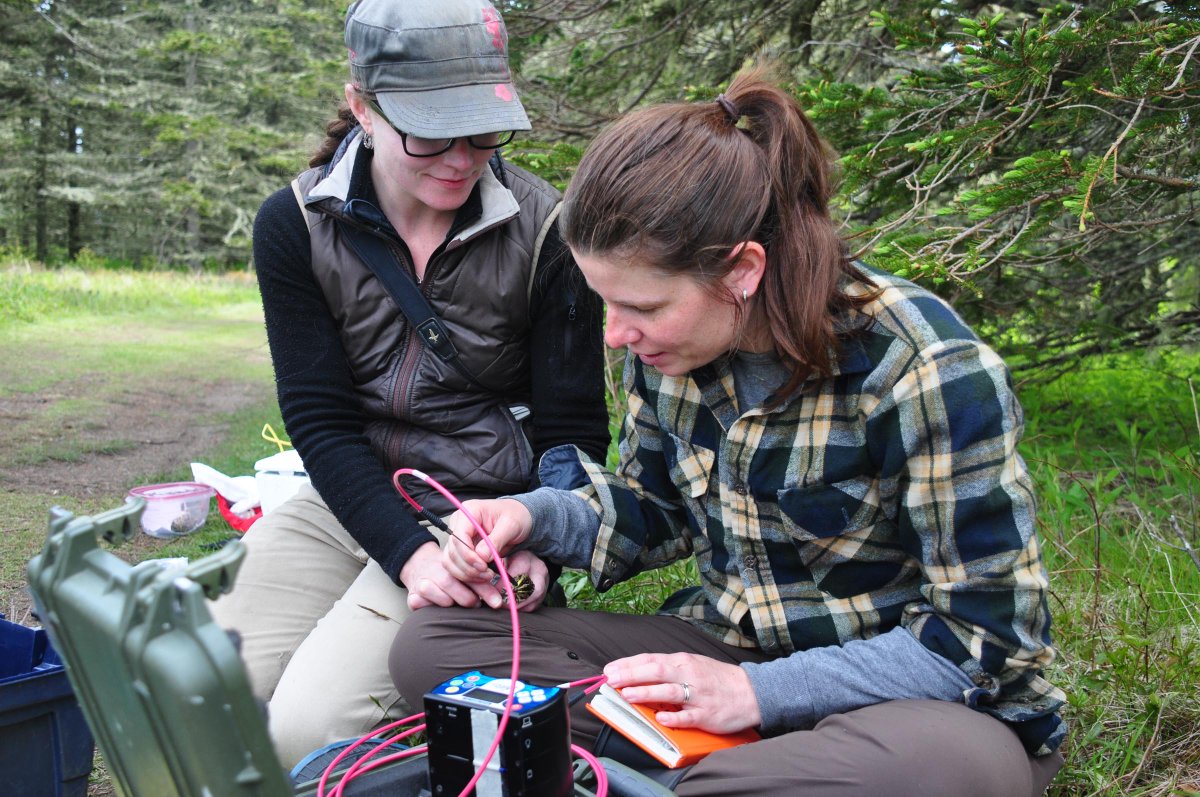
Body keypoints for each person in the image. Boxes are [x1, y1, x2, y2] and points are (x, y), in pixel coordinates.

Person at [390, 63, 1067, 796]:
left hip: (913, 705)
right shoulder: (672, 351)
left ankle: (672, 766)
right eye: (606, 304)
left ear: (741, 270)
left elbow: (986, 641)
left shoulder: (923, 366)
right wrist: (531, 517)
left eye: (642, 307)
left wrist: (758, 696)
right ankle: (720, 770)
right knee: (433, 645)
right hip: (731, 649)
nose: (617, 335)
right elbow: (653, 509)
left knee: (938, 769)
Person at [209, 0, 610, 767]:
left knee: (304, 728)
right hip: (347, 497)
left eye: (484, 129)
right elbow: (320, 422)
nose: (462, 157)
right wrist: (402, 552)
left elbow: (575, 431)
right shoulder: (293, 224)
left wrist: (544, 542)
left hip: (479, 519)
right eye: (430, 131)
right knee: (207, 681)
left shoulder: (547, 232)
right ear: (363, 106)